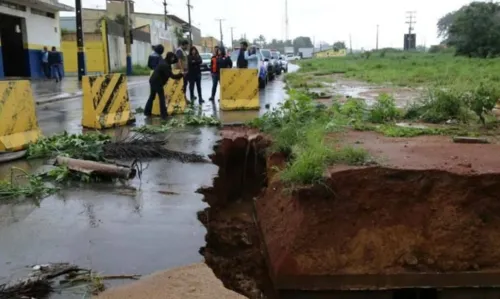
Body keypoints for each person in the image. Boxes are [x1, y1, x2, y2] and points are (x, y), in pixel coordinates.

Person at [144, 52, 184, 120]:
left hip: (153, 80)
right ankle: (164, 115)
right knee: (161, 98)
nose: (173, 59)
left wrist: (175, 57)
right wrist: (181, 75)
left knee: (152, 96)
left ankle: (147, 112)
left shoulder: (165, 62)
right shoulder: (165, 65)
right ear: (169, 58)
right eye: (172, 58)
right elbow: (172, 76)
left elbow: (175, 60)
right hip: (157, 82)